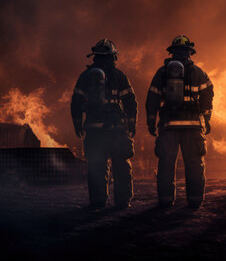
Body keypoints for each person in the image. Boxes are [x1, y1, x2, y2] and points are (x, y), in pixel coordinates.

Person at [145, 35, 213, 208]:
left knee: (166, 164)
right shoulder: (198, 72)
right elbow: (208, 97)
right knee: (194, 164)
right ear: (190, 52)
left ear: (172, 52)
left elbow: (152, 99)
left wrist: (151, 122)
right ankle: (195, 200)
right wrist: (206, 119)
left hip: (168, 126)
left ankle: (166, 200)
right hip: (193, 127)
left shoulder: (162, 73)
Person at [71, 39, 137, 209]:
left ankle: (98, 201)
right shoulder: (120, 76)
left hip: (94, 132)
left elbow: (76, 102)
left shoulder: (85, 77)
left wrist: (77, 124)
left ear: (95, 56)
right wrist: (132, 124)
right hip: (117, 131)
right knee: (121, 166)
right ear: (114, 56)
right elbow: (130, 102)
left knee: (96, 167)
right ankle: (122, 201)